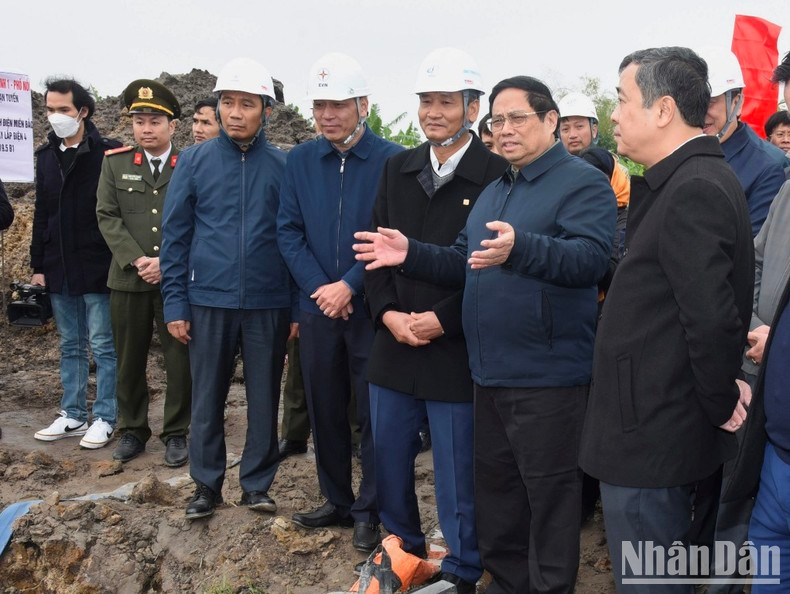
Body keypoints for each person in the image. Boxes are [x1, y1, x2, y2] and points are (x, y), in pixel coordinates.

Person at [354, 75, 615, 593]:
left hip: (548, 376)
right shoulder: (498, 190)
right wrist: (411, 252)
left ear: (550, 121)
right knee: (497, 494)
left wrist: (522, 248)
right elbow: (461, 260)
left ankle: (549, 587)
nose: (507, 129)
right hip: (488, 372)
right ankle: (509, 582)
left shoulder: (581, 183)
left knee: (550, 497)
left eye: (519, 118)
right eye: (499, 120)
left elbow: (592, 260)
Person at [579, 47, 754, 593]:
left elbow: (712, 318)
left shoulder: (694, 187)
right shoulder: (676, 180)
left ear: (663, 110)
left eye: (622, 100)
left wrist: (721, 400)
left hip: (652, 435)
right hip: (646, 424)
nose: (614, 115)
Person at [363, 47, 507, 591]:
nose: (432, 112)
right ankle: (403, 555)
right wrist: (390, 314)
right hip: (394, 342)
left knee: (456, 470)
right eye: (426, 101)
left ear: (472, 108)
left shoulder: (496, 176)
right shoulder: (396, 169)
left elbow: (489, 268)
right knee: (389, 459)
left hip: (454, 346)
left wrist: (442, 320)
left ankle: (464, 569)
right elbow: (374, 253)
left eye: (446, 101)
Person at [277, 52, 402, 553]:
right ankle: (336, 499)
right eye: (319, 106)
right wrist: (321, 291)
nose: (328, 115)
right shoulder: (301, 159)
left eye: (338, 105)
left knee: (374, 413)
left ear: (363, 105)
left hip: (370, 307)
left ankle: (371, 509)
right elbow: (288, 232)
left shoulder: (393, 159)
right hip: (318, 308)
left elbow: (393, 233)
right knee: (324, 405)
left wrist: (349, 285)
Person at [161, 57, 294, 519]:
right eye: (228, 103)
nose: (235, 113)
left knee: (264, 397)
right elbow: (175, 237)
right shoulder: (194, 162)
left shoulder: (283, 165)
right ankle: (205, 487)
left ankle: (257, 485)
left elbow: (293, 238)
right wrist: (175, 301)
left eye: (247, 104)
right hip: (206, 301)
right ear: (218, 108)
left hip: (268, 302)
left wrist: (294, 307)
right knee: (207, 398)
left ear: (267, 111)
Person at [711, 51, 790, 594]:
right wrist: (762, 323)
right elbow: (756, 260)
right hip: (778, 428)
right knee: (767, 550)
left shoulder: (766, 168)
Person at [96, 80, 192, 468]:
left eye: (154, 121)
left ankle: (176, 433)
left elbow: (198, 220)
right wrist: (138, 260)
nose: (145, 128)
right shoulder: (114, 163)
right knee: (128, 359)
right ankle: (133, 429)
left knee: (179, 360)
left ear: (173, 126)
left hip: (176, 282)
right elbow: (107, 215)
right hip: (128, 279)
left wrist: (166, 264)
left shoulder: (190, 164)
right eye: (139, 121)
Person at [31, 78, 118, 450]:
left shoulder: (109, 154)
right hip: (59, 265)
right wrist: (38, 265)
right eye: (50, 109)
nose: (55, 117)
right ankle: (72, 414)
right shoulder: (45, 157)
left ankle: (105, 416)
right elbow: (41, 214)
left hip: (98, 266)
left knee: (103, 344)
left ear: (82, 111)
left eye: (63, 109)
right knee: (70, 343)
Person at [700, 47, 786, 235]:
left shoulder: (768, 167)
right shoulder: (678, 153)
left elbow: (753, 252)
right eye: (692, 102)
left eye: (709, 102)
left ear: (736, 102)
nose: (699, 112)